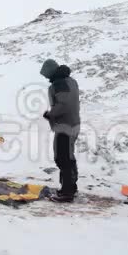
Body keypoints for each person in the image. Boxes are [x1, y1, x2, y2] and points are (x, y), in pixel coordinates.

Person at [40, 59, 81, 202]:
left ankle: (67, 193)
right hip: (74, 124)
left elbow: (64, 105)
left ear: (50, 71)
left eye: (46, 75)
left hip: (65, 126)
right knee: (68, 156)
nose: (46, 78)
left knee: (62, 158)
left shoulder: (59, 84)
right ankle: (71, 188)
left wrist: (50, 114)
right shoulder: (70, 81)